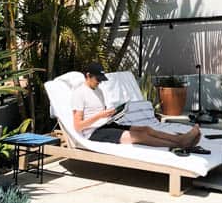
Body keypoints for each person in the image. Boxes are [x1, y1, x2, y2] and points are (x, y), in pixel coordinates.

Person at [72, 62, 202, 150]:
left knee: (146, 129)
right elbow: (78, 126)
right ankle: (180, 143)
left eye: (101, 79)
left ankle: (180, 139)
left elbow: (100, 113)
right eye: (97, 79)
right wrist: (100, 115)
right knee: (139, 137)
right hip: (93, 133)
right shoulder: (79, 93)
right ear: (88, 75)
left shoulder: (98, 91)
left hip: (105, 125)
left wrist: (111, 113)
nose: (100, 82)